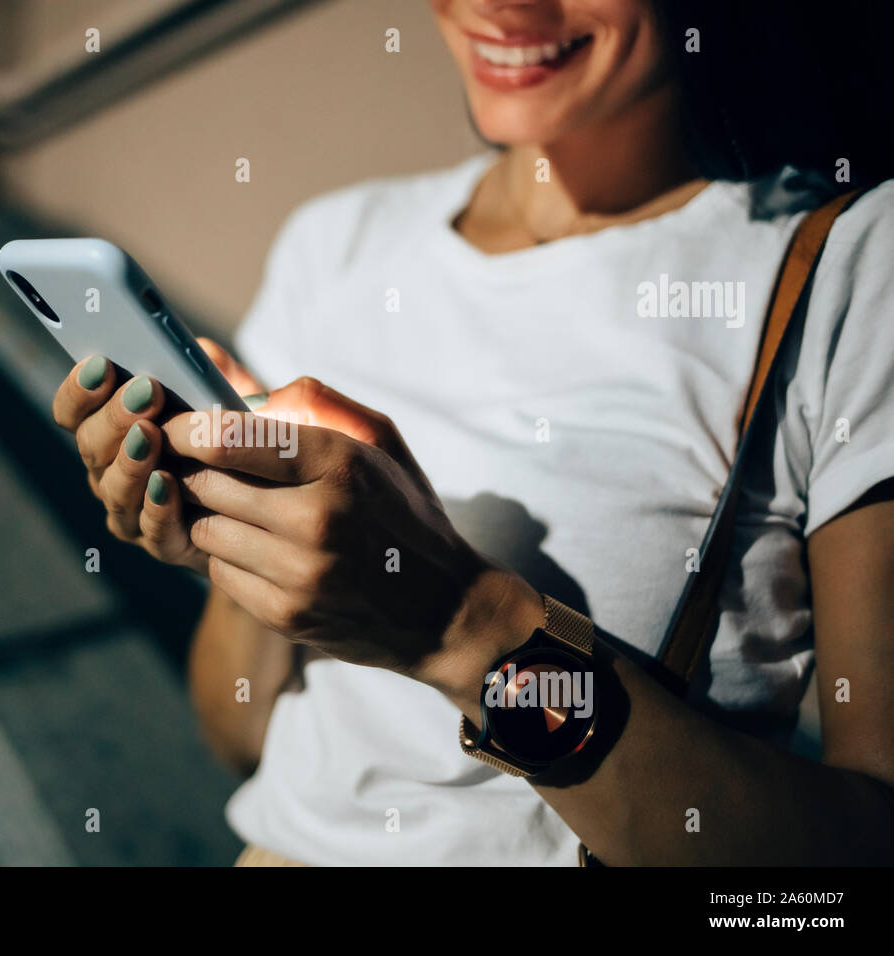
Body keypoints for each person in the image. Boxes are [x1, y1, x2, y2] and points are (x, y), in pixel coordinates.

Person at [49, 0, 894, 865]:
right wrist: (241, 547)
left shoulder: (853, 263)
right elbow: (244, 742)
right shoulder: (337, 241)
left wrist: (458, 624)